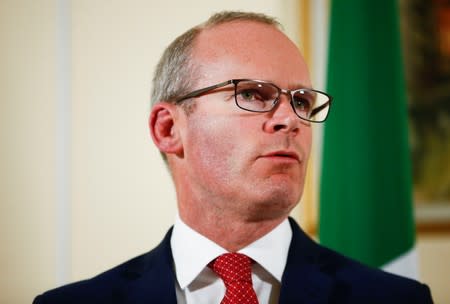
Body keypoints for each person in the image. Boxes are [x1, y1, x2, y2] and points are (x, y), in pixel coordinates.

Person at [33, 11, 433, 304]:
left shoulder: (396, 299)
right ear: (169, 130)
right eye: (253, 95)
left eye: (301, 101)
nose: (289, 120)